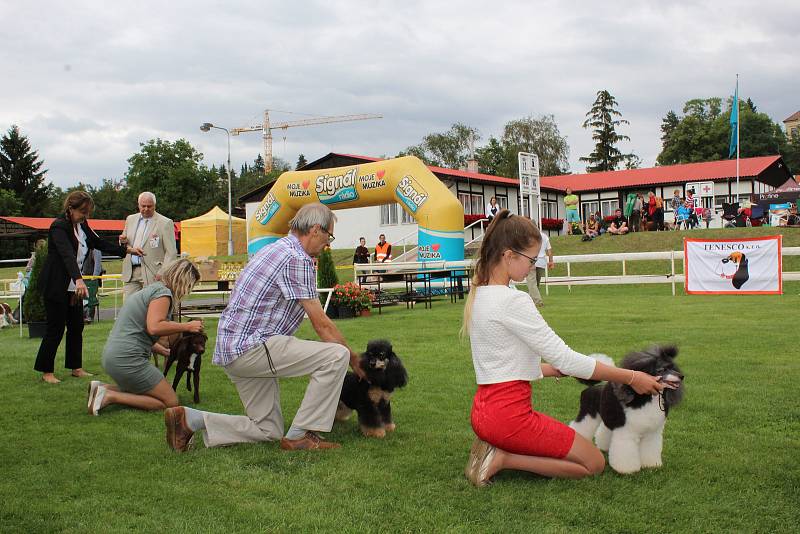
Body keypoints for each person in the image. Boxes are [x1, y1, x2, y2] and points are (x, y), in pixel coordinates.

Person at [461, 210, 664, 486]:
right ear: (509, 256)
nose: (533, 266)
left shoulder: (480, 294)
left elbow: (500, 364)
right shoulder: (513, 301)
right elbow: (567, 358)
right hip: (509, 420)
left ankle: (498, 449)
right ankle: (502, 458)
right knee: (593, 464)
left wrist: (549, 371)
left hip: (483, 416)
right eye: (531, 259)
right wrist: (631, 377)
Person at [163, 203, 367, 453]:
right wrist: (355, 361)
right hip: (253, 346)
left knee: (267, 430)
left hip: (234, 349)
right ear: (315, 230)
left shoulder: (276, 249)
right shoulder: (297, 258)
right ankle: (301, 436)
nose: (328, 243)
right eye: (329, 236)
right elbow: (321, 324)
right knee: (336, 355)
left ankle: (189, 420)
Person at [34, 191, 143, 384]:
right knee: (56, 329)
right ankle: (46, 371)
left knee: (77, 326)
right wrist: (79, 279)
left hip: (74, 284)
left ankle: (76, 367)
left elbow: (98, 243)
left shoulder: (82, 225)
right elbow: (67, 254)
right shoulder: (58, 227)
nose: (85, 215)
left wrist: (126, 250)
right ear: (70, 208)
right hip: (57, 285)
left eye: (88, 212)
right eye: (82, 211)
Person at [87, 259, 203, 415]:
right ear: (183, 281)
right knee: (170, 401)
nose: (186, 292)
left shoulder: (151, 290)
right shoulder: (163, 294)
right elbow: (154, 327)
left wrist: (162, 350)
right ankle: (109, 396)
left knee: (153, 392)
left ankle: (102, 388)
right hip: (128, 358)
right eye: (190, 286)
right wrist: (187, 326)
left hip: (114, 356)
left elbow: (137, 331)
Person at [120, 192, 177, 298]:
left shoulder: (165, 222)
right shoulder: (130, 219)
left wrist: (163, 272)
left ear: (155, 206)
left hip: (153, 273)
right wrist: (122, 241)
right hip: (131, 272)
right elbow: (125, 243)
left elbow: (171, 252)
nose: (146, 209)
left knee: (150, 306)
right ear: (138, 205)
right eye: (143, 206)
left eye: (149, 206)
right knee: (130, 308)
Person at [525, 230, 553, 308]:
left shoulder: (528, 237)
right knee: (535, 284)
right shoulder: (544, 236)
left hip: (532, 261)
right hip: (542, 262)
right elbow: (549, 251)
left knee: (532, 284)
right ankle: (530, 302)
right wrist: (551, 261)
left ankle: (538, 302)